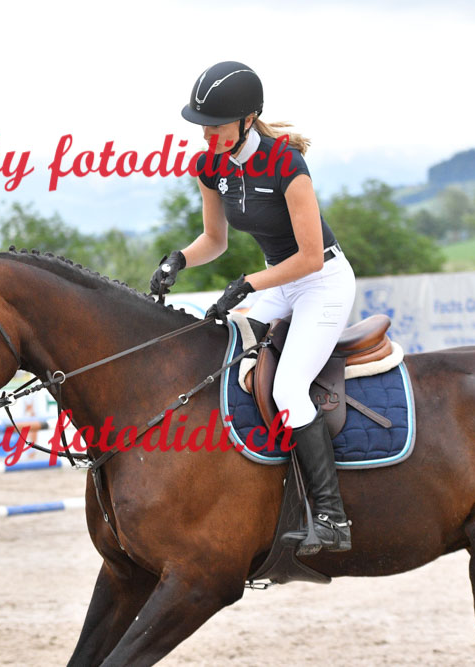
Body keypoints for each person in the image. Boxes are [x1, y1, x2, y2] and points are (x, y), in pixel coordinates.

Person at [149, 61, 356, 555]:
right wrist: (179, 259)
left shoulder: (287, 165)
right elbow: (214, 240)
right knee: (222, 357)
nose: (206, 135)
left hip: (322, 282)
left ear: (247, 119)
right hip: (278, 282)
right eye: (201, 125)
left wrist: (248, 284)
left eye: (215, 125)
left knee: (288, 387)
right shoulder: (210, 166)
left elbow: (309, 257)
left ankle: (332, 517)